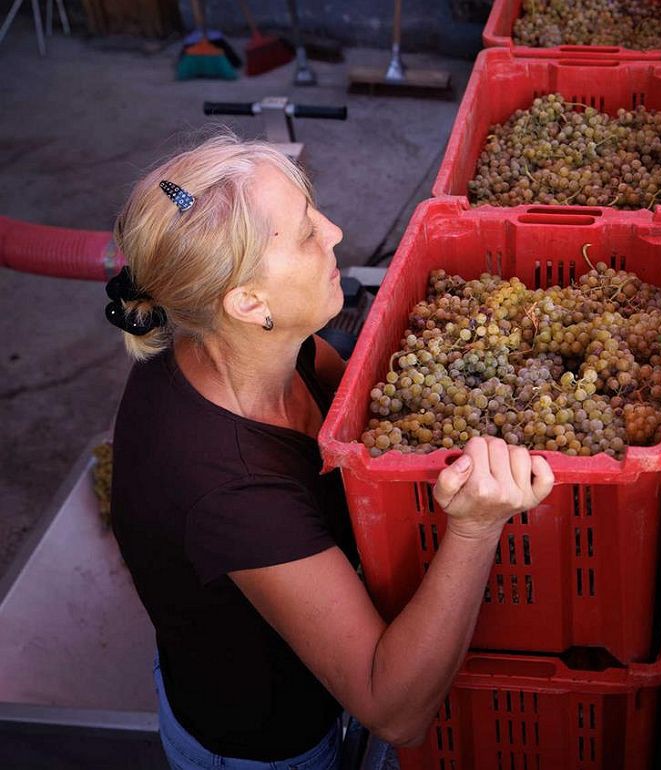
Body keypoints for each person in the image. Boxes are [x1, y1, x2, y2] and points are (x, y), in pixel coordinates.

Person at [107, 132, 554, 770]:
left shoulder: (257, 352)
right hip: (272, 747)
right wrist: (477, 528)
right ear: (248, 302)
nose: (336, 231)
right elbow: (394, 710)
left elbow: (368, 411)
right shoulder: (232, 489)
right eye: (306, 232)